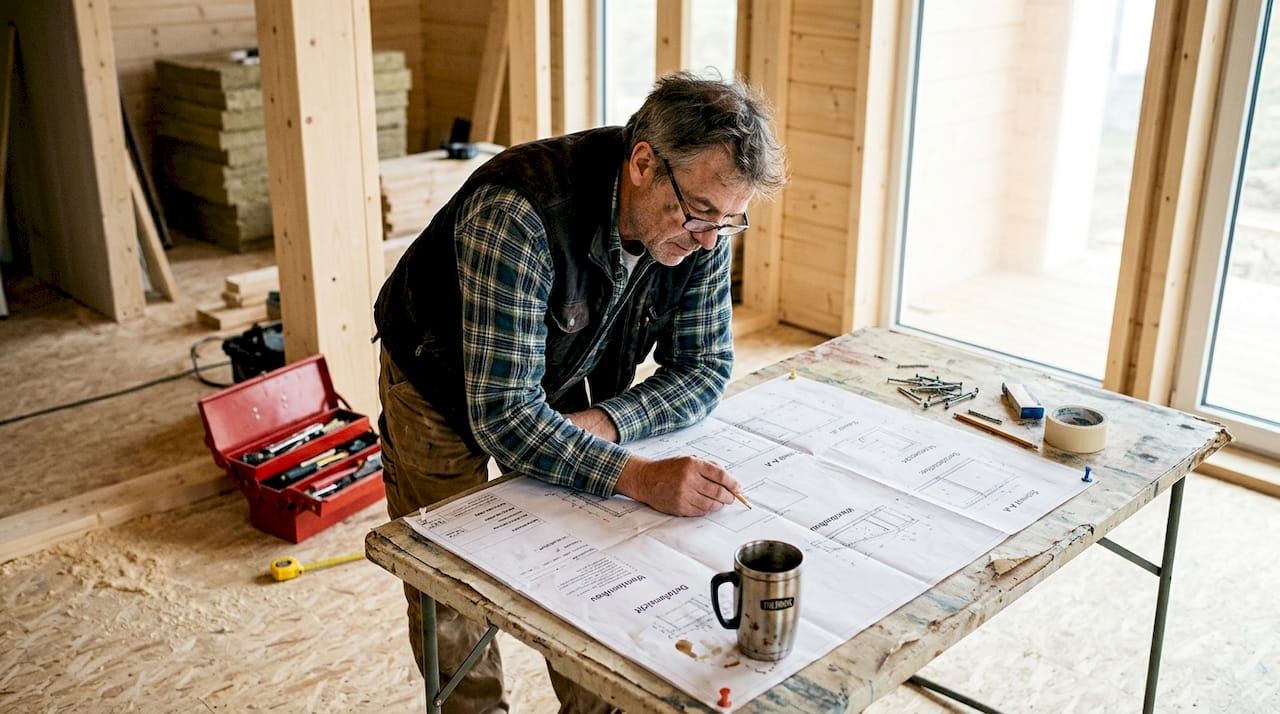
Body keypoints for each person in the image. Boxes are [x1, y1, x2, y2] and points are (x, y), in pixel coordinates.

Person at [373, 72, 787, 713]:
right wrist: (638, 476)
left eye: (730, 222)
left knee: (577, 561)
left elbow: (704, 368)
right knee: (449, 582)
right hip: (438, 377)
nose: (710, 240)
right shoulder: (518, 210)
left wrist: (608, 422)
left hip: (569, 376)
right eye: (701, 214)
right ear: (644, 162)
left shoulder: (706, 216)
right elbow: (506, 415)